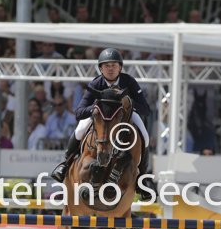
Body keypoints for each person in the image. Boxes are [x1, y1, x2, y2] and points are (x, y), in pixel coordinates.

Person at [50, 48, 152, 190]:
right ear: (101, 69)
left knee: (145, 136)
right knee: (80, 130)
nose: (110, 69)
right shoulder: (96, 84)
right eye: (106, 66)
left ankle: (143, 177)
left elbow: (145, 109)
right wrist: (95, 109)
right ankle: (65, 164)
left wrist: (129, 103)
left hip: (123, 115)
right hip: (101, 117)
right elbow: (79, 112)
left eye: (114, 65)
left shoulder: (129, 81)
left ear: (120, 67)